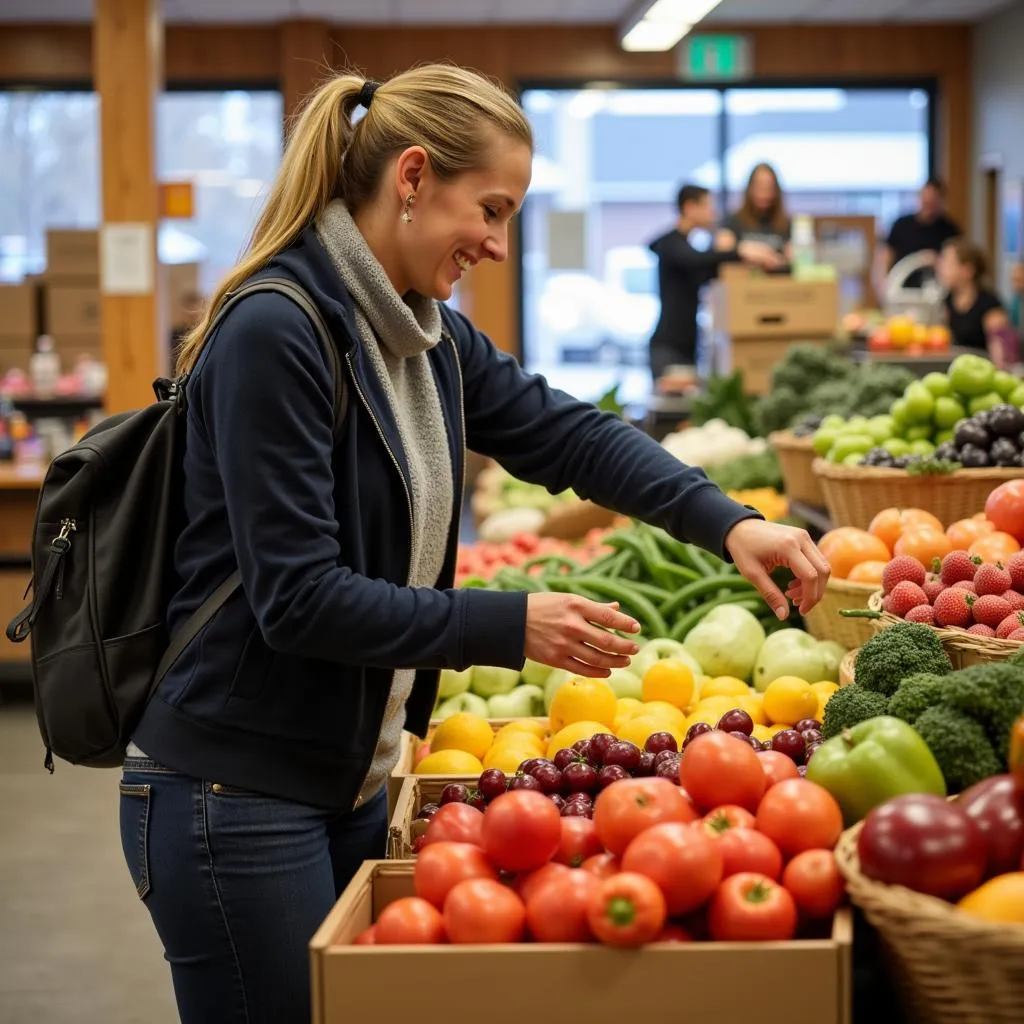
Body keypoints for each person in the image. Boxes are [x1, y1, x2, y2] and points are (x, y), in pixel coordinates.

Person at [118, 63, 830, 1024]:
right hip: (232, 788)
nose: (497, 244)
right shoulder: (277, 332)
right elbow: (297, 598)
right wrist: (511, 622)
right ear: (412, 176)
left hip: (349, 773)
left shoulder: (425, 336)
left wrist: (730, 519)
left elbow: (569, 434)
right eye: (489, 210)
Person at [648, 183, 782, 378]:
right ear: (690, 208)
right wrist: (740, 251)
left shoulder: (687, 246)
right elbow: (698, 259)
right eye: (708, 207)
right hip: (668, 347)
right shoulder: (670, 244)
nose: (713, 214)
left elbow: (708, 267)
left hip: (688, 346)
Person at [937, 238, 1012, 365]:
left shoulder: (989, 304)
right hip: (959, 367)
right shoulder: (947, 300)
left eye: (948, 263)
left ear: (967, 271)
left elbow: (1001, 352)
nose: (940, 268)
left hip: (982, 371)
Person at [877, 177, 960, 291]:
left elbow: (955, 263)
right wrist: (883, 285)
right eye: (925, 200)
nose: (928, 206)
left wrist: (938, 261)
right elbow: (884, 259)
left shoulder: (950, 229)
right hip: (902, 290)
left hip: (936, 292)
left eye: (932, 201)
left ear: (940, 201)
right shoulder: (901, 225)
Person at [715, 162, 791, 259]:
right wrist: (748, 251)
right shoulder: (733, 221)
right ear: (750, 188)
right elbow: (721, 246)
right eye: (759, 186)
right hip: (741, 273)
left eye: (769, 187)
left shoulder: (786, 224)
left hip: (777, 274)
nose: (764, 192)